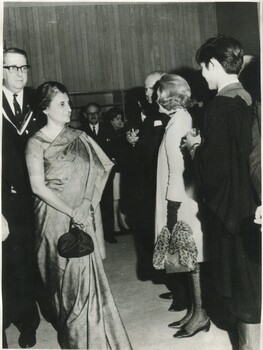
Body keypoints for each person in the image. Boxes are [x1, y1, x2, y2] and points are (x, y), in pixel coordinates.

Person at [25, 81, 132, 349]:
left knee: (85, 281)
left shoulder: (79, 137)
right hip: (52, 220)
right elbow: (38, 187)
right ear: (45, 108)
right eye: (61, 104)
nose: (69, 108)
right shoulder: (35, 143)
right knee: (62, 285)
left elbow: (98, 171)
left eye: (69, 102)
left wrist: (85, 204)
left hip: (82, 216)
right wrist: (73, 210)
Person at [185, 35, 261, 349]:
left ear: (214, 64)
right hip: (252, 205)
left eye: (203, 68)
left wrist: (194, 149)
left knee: (242, 291)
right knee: (254, 282)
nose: (202, 75)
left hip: (231, 211)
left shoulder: (219, 106)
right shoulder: (250, 99)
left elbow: (214, 171)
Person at [155, 74, 209, 338]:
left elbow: (177, 169)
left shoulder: (179, 123)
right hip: (179, 195)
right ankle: (194, 310)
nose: (155, 97)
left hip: (181, 199)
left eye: (158, 92)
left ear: (169, 96)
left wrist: (172, 208)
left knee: (191, 256)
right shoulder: (177, 119)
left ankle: (200, 314)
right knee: (188, 257)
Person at [2, 47, 44, 348]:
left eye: (23, 67)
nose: (19, 73)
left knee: (34, 261)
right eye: (12, 67)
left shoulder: (36, 104)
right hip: (5, 202)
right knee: (11, 265)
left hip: (36, 196)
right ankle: (15, 319)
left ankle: (32, 320)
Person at [79, 102, 117, 243]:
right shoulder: (81, 131)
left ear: (100, 114)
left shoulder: (108, 128)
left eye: (96, 112)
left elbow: (114, 150)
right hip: (89, 175)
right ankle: (93, 235)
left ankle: (109, 233)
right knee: (91, 204)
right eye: (90, 113)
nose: (93, 115)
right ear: (85, 115)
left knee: (107, 203)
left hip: (106, 174)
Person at [104, 107, 130, 234]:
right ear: (111, 120)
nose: (120, 122)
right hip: (114, 170)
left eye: (121, 118)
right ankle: (115, 223)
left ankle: (120, 220)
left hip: (120, 169)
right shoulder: (110, 133)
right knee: (115, 197)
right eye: (117, 119)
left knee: (118, 197)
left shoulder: (118, 133)